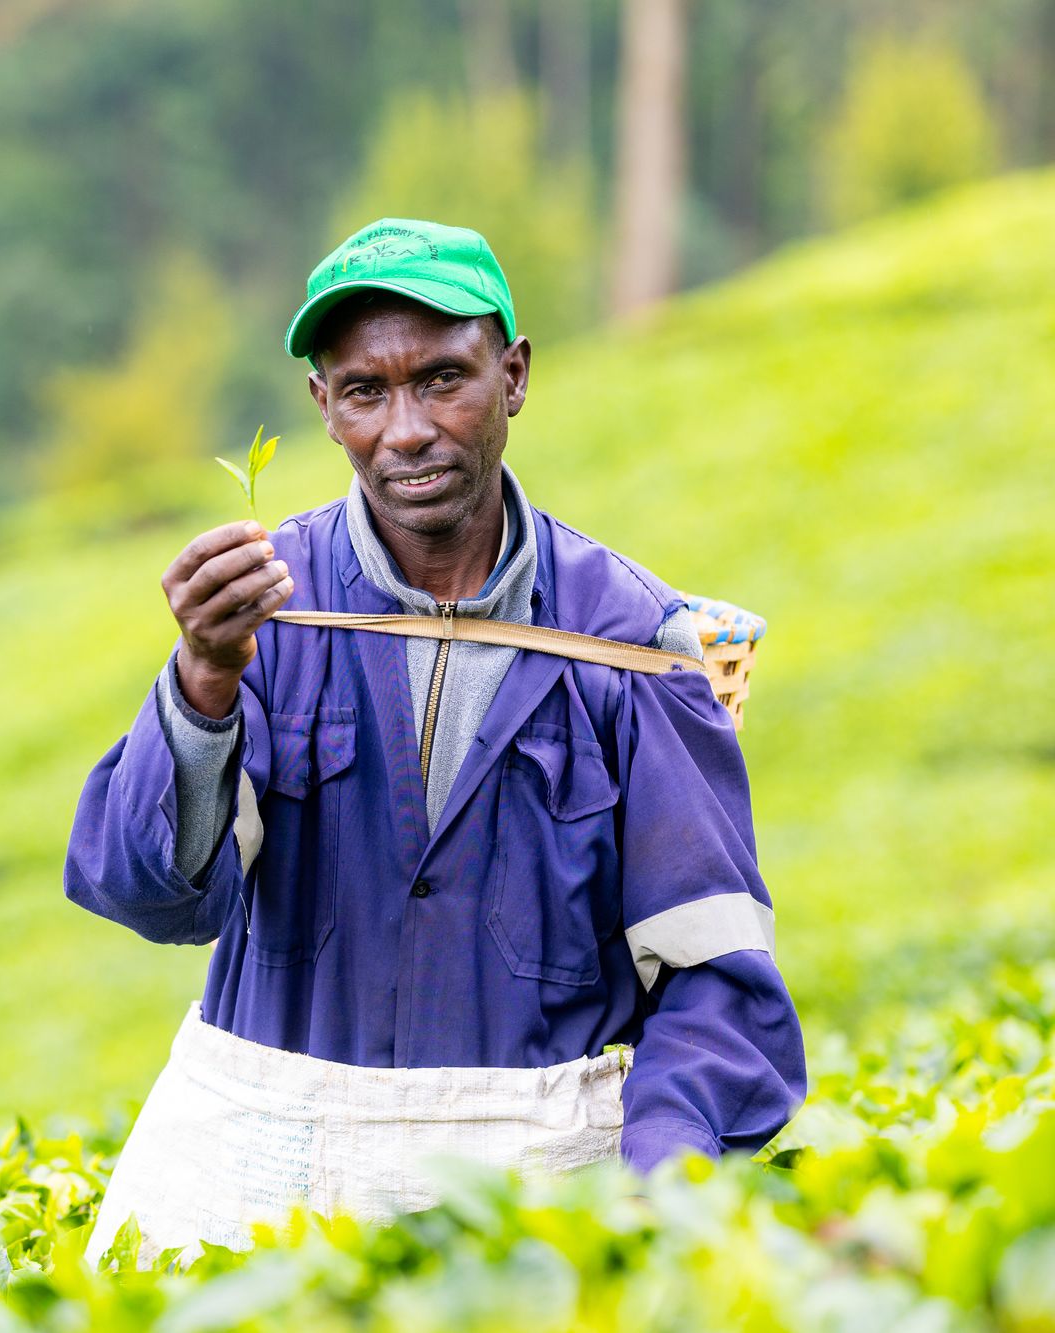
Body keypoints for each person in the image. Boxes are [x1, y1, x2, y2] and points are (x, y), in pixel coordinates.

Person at [63, 218, 807, 1266]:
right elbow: (147, 894)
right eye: (364, 390)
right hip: (263, 1180)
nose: (404, 428)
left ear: (512, 376)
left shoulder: (633, 645)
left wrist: (662, 1188)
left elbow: (714, 983)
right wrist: (200, 681)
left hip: (532, 1188)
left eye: (442, 378)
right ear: (323, 407)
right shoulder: (264, 619)